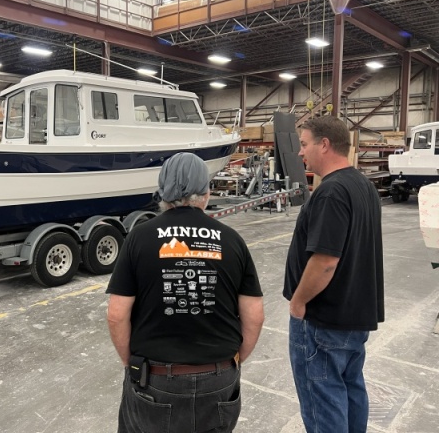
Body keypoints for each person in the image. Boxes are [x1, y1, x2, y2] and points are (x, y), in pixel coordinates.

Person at [106, 152, 265, 433]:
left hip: (156, 379)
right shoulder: (231, 240)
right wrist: (232, 361)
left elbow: (117, 315)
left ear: (162, 191)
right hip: (218, 377)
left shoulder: (140, 237)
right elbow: (255, 315)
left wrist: (131, 363)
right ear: (206, 192)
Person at [284, 116, 384, 433]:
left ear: (324, 145)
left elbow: (326, 261)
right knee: (350, 388)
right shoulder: (363, 186)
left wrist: (298, 302)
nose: (300, 152)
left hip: (323, 320)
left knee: (322, 401)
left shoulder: (331, 192)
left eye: (304, 144)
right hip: (354, 316)